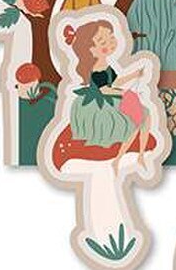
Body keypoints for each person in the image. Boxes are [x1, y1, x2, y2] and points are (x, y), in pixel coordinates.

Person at [64, 20, 151, 171]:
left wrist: (134, 75)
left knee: (144, 117)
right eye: (103, 42)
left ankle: (139, 156)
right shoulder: (96, 68)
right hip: (102, 104)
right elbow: (103, 90)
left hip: (113, 97)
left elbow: (115, 82)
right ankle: (120, 159)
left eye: (111, 37)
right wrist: (123, 93)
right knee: (137, 121)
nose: (110, 43)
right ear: (91, 50)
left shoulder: (106, 65)